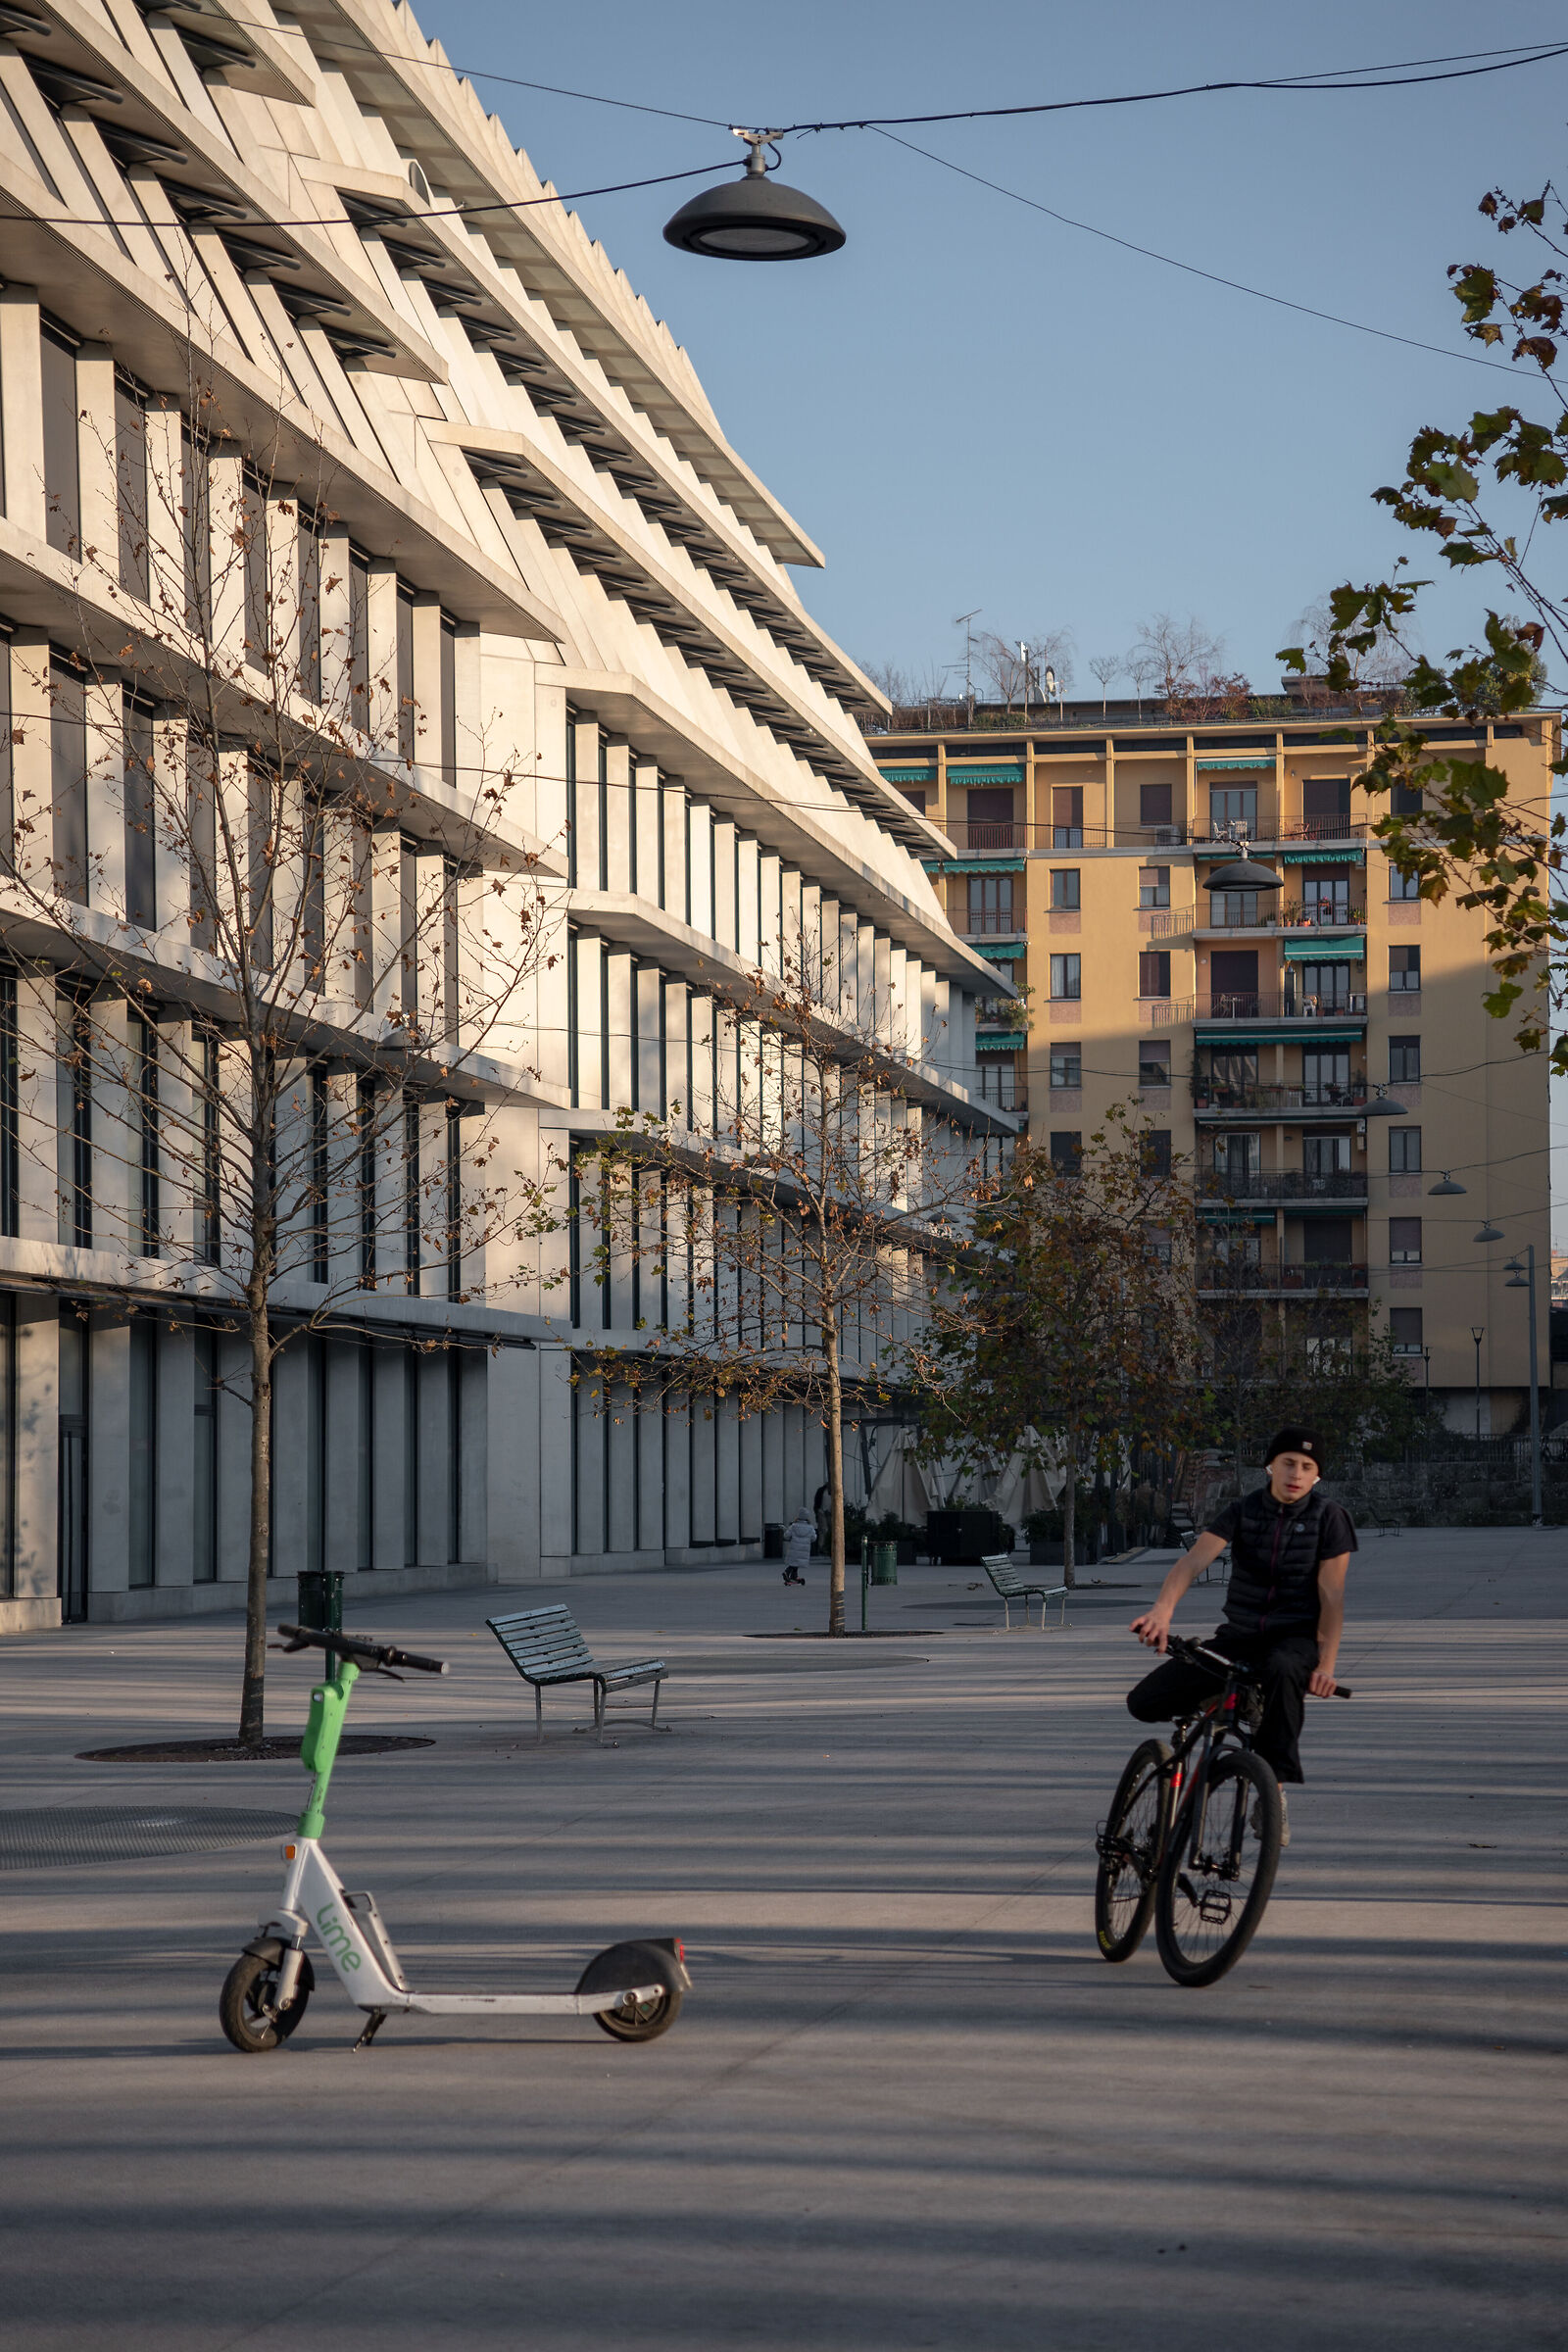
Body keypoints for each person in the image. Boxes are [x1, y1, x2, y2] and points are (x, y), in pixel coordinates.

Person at [1125, 1427, 1356, 1842]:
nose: (1296, 1473)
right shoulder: (1243, 1511)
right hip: (1238, 1637)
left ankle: (1273, 1793)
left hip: (1295, 1640)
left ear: (1317, 1476)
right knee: (1142, 1702)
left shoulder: (1330, 1518)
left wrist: (1326, 1664)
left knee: (1284, 1668)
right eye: (1288, 1463)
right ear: (1270, 1465)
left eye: (1308, 1467)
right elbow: (1192, 1562)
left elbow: (1331, 1597)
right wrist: (1163, 1611)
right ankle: (1211, 1711)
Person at [782, 1504, 814, 1586]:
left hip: (794, 1548)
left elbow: (786, 1535)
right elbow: (814, 1538)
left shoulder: (793, 1526)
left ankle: (793, 1575)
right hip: (804, 1549)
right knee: (797, 1562)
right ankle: (787, 1572)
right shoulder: (810, 1528)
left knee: (795, 1561)